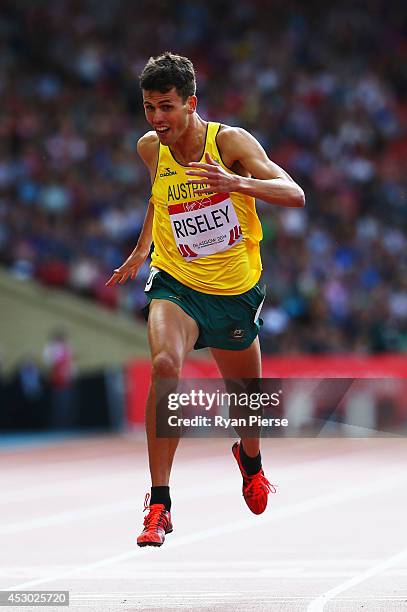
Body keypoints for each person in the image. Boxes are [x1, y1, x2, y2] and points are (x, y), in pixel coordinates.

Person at [106, 52, 305, 547]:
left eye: (167, 107)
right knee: (165, 364)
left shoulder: (230, 142)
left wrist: (236, 182)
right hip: (176, 283)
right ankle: (158, 503)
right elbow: (159, 197)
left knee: (248, 402)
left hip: (235, 292)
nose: (157, 119)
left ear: (191, 103)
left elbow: (294, 192)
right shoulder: (150, 148)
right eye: (149, 107)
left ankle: (250, 459)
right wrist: (141, 250)